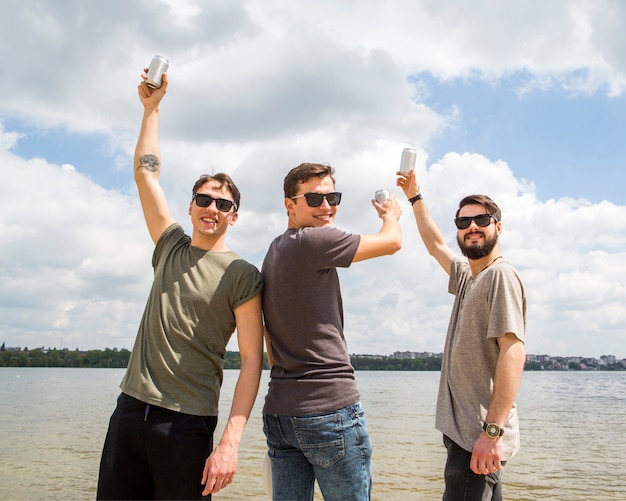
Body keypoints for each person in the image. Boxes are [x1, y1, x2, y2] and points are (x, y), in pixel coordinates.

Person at [96, 71, 264, 500]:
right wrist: (151, 110)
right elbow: (145, 175)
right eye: (204, 199)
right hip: (130, 411)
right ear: (190, 205)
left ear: (234, 215)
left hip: (188, 424)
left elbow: (250, 361)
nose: (212, 208)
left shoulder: (243, 275)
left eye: (223, 204)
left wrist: (229, 443)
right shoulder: (170, 244)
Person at [262, 162, 402, 501]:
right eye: (314, 198)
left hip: (281, 413)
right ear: (289, 205)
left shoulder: (275, 250)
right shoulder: (313, 241)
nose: (326, 207)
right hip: (328, 409)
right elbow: (392, 242)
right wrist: (391, 215)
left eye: (332, 197)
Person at [396, 169, 526, 500]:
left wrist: (492, 433)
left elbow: (513, 352)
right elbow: (434, 244)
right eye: (463, 222)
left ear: (498, 226)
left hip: (478, 436)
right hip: (466, 435)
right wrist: (414, 196)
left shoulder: (500, 277)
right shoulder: (470, 277)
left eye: (481, 220)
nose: (471, 227)